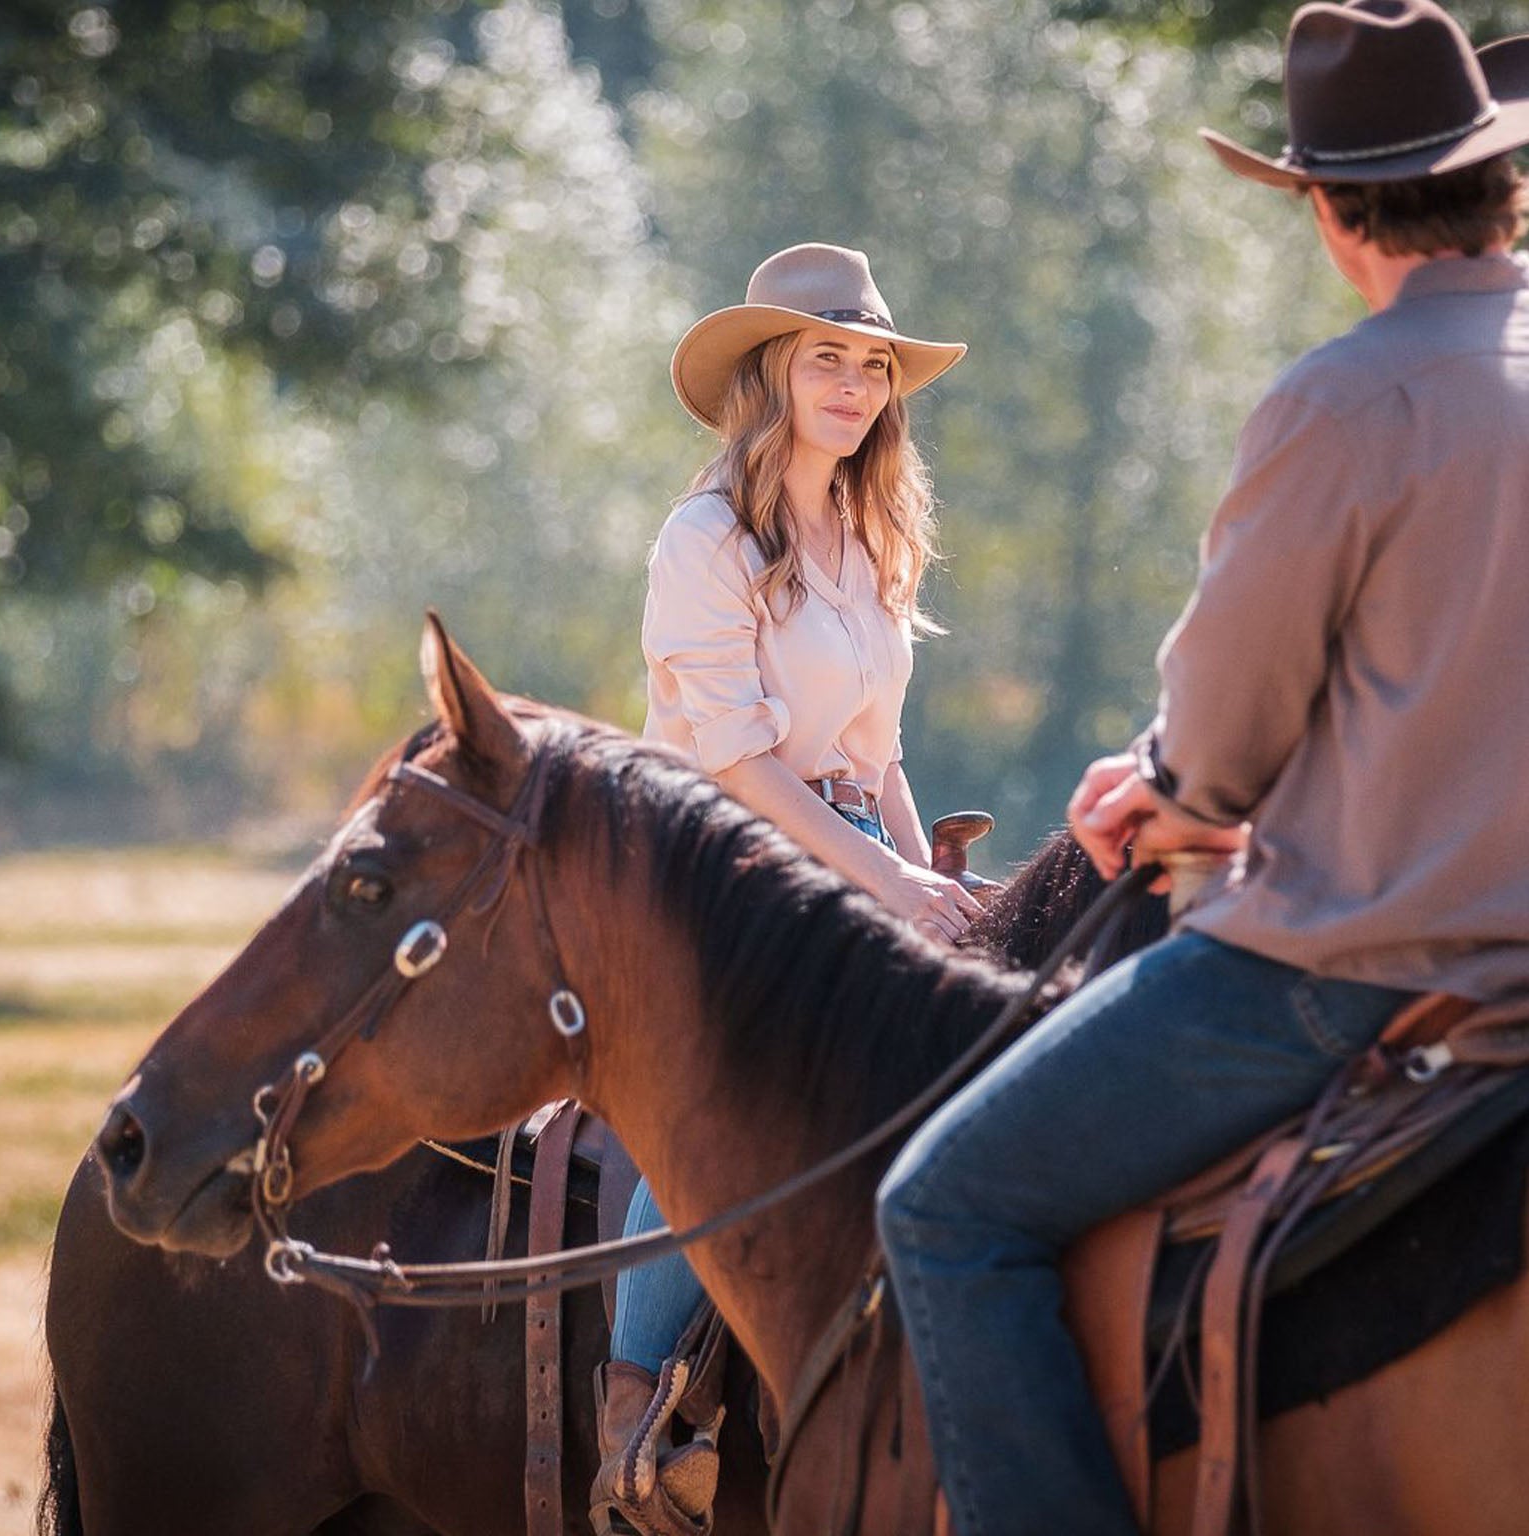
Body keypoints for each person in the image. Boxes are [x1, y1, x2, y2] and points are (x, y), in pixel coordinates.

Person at [875, 3, 1529, 1532]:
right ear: (1497, 181)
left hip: (1354, 960)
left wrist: (1167, 785)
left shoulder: (1345, 399)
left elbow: (1225, 749)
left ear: (1328, 207)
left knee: (946, 1206)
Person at [594, 242, 984, 1536]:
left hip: (848, 849)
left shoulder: (874, 539)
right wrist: (885, 883)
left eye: (874, 363)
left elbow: (879, 757)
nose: (857, 383)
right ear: (771, 373)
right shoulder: (703, 539)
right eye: (828, 357)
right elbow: (741, 762)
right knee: (728, 1091)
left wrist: (933, 888)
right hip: (719, 865)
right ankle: (639, 1397)